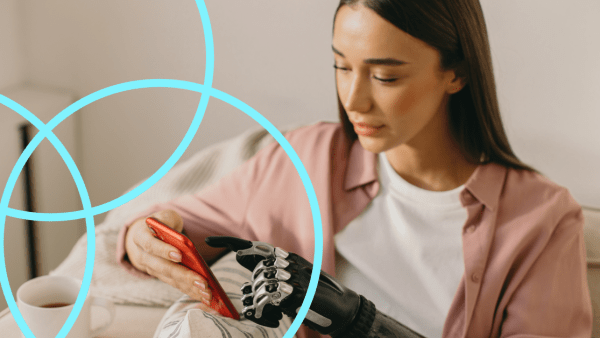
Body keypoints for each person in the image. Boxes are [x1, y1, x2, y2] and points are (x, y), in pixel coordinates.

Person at [116, 0, 593, 337]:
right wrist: (142, 236)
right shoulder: (305, 157)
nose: (354, 99)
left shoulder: (542, 220)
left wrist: (360, 323)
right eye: (342, 67)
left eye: (386, 75)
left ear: (457, 72)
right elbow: (177, 225)